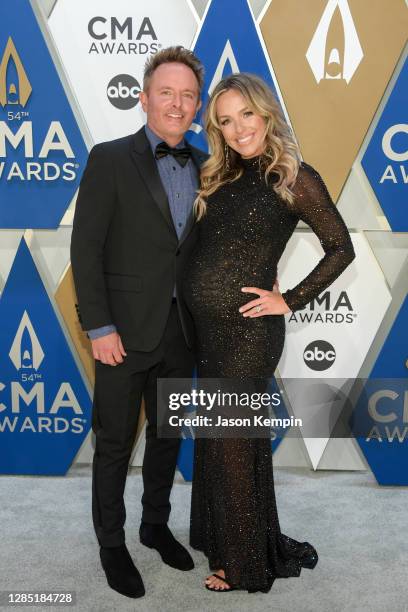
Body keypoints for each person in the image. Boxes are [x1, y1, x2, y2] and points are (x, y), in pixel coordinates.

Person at [183, 73, 356, 593]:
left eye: (246, 116)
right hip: (207, 334)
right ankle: (231, 539)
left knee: (233, 440)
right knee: (221, 439)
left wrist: (288, 299)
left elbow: (341, 248)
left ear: (266, 114)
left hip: (248, 335)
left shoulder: (295, 177)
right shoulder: (217, 175)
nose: (238, 130)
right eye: (226, 121)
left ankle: (243, 566)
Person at [70, 46, 207, 599]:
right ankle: (111, 543)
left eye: (188, 96)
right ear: (145, 96)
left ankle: (154, 526)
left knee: (168, 436)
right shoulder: (109, 158)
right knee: (113, 444)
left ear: (197, 106)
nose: (177, 104)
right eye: (167, 92)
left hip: (182, 332)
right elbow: (86, 249)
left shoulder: (205, 165)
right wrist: (99, 328)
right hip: (121, 335)